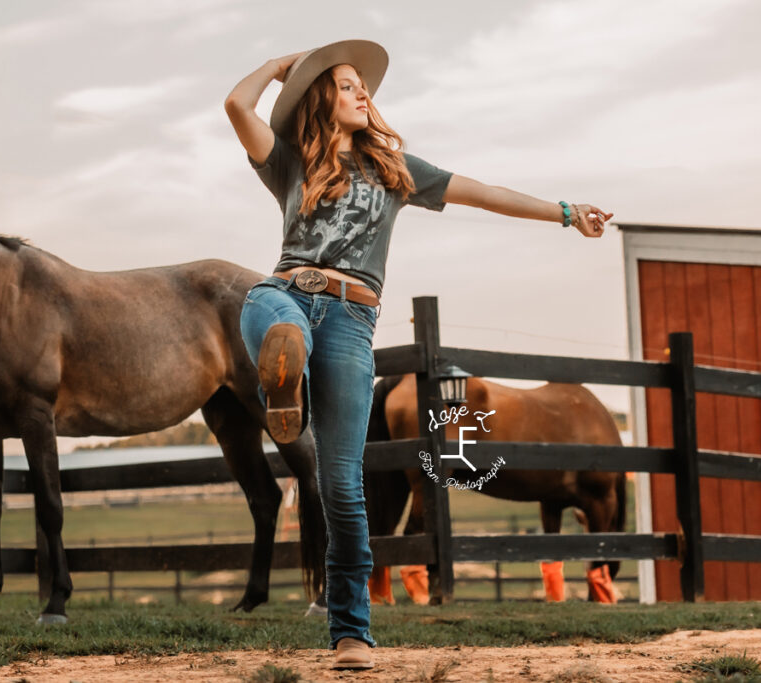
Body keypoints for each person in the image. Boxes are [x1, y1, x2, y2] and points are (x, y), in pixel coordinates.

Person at [224, 39, 613, 671]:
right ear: (321, 95)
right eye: (346, 84)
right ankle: (284, 376)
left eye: (362, 85)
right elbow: (237, 104)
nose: (361, 93)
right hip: (290, 294)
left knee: (342, 485)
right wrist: (282, 67)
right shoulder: (288, 161)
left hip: (351, 320)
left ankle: (351, 633)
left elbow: (484, 193)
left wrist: (567, 212)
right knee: (262, 307)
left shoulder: (394, 169)